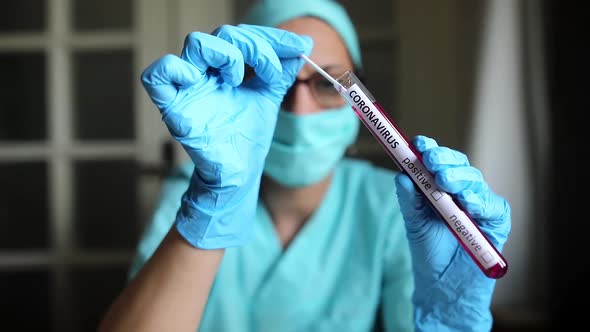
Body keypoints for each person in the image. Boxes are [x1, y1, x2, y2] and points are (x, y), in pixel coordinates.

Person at [98, 0, 511, 331]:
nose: (301, 108)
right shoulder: (195, 189)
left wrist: (445, 323)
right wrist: (216, 201)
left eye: (326, 84)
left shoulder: (395, 208)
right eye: (275, 85)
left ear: (357, 101)